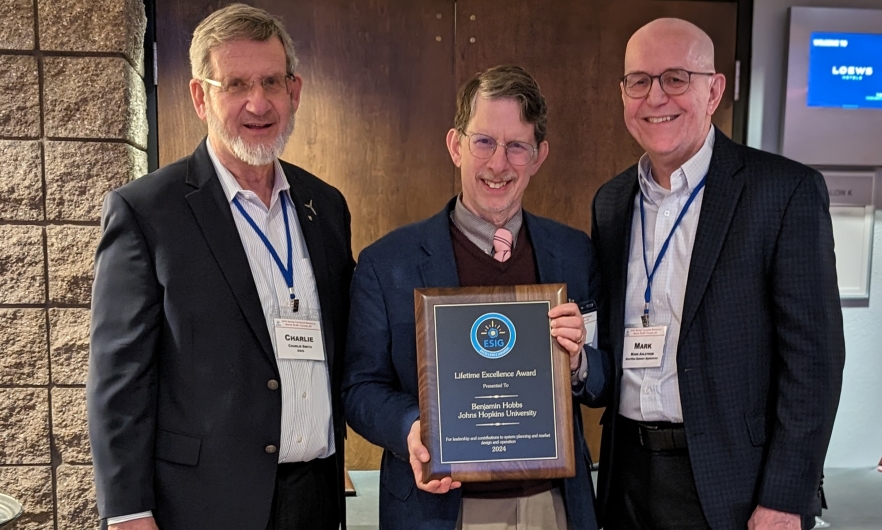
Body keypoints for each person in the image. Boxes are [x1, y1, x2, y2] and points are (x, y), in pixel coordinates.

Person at [87, 4, 353, 529]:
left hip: (318, 495)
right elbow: (119, 382)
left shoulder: (325, 206)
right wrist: (127, 512)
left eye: (271, 82)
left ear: (293, 91)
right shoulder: (147, 211)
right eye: (234, 84)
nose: (258, 102)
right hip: (203, 504)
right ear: (199, 96)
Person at [590, 18, 845, 530]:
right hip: (626, 480)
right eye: (638, 81)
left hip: (734, 485)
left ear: (714, 90)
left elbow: (814, 362)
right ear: (623, 94)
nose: (655, 97)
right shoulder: (612, 202)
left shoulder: (783, 192)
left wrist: (786, 496)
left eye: (676, 78)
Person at [342, 65, 607, 530]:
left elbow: (604, 378)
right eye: (483, 141)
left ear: (539, 155)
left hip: (552, 506)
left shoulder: (572, 253)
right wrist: (411, 428)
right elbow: (359, 389)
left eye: (517, 146)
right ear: (455, 146)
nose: (498, 164)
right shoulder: (388, 263)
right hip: (439, 509)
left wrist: (580, 363)